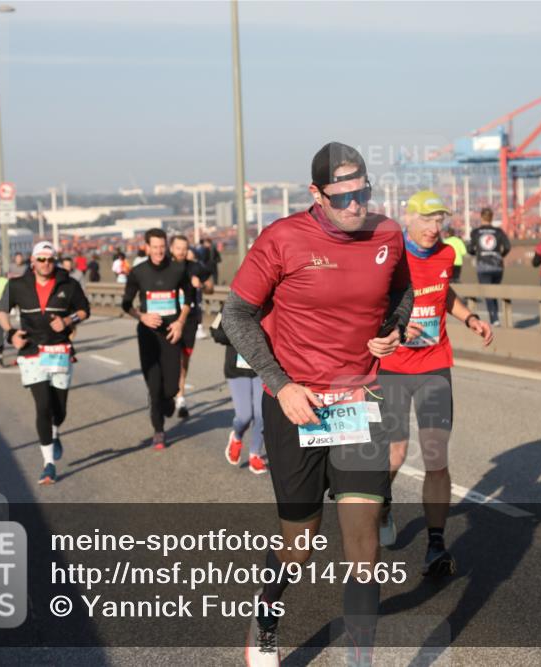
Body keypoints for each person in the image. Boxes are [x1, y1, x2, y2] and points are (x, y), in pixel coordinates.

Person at [222, 142, 414, 666]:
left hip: (359, 403)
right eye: (343, 195)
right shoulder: (283, 238)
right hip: (297, 408)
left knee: (363, 543)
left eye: (363, 192)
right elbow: (235, 315)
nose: (356, 204)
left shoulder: (388, 234)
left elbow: (403, 293)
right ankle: (266, 614)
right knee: (300, 546)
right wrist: (280, 384)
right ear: (317, 193)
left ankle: (360, 658)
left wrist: (391, 330)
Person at [378, 189, 493, 579]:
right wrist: (396, 324)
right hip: (392, 367)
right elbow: (373, 304)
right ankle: (383, 501)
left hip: (433, 366)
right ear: (407, 218)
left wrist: (470, 318)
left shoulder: (446, 254)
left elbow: (443, 295)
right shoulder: (392, 257)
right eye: (426, 219)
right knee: (395, 454)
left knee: (436, 458)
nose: (433, 227)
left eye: (439, 219)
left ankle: (436, 544)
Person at [0, 242, 90, 485]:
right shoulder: (17, 284)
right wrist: (10, 334)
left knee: (59, 410)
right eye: (41, 259)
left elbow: (84, 310)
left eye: (49, 259)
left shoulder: (68, 283)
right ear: (32, 261)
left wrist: (68, 320)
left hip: (59, 349)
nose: (45, 264)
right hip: (31, 351)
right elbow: (1, 310)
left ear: (55, 261)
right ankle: (48, 464)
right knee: (43, 406)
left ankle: (56, 430)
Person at [121, 228, 193, 450]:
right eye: (155, 247)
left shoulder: (178, 269)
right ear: (147, 247)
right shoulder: (138, 271)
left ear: (167, 246)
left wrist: (181, 322)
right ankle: (159, 431)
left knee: (171, 387)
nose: (159, 250)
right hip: (148, 336)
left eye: (162, 246)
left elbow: (189, 298)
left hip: (171, 333)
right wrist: (141, 316)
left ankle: (167, 401)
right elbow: (125, 304)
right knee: (154, 387)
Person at [210, 313, 267, 474]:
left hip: (261, 369)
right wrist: (239, 335)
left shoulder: (270, 305)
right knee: (244, 416)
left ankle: (254, 455)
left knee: (261, 415)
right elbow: (215, 331)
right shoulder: (231, 304)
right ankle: (236, 436)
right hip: (236, 370)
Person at [169, 234, 215, 419]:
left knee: (183, 360)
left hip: (190, 320)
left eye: (184, 248)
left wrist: (201, 285)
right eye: (178, 248)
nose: (181, 252)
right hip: (169, 318)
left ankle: (180, 396)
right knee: (169, 359)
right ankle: (169, 391)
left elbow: (211, 287)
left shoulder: (195, 267)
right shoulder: (165, 268)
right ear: (171, 248)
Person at [467, 207, 511, 326]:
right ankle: (495, 317)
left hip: (483, 266)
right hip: (497, 266)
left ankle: (494, 318)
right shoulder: (498, 232)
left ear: (481, 217)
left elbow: (470, 249)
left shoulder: (476, 232)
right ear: (491, 217)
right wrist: (500, 256)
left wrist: (475, 253)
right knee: (494, 292)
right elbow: (507, 246)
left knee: (488, 292)